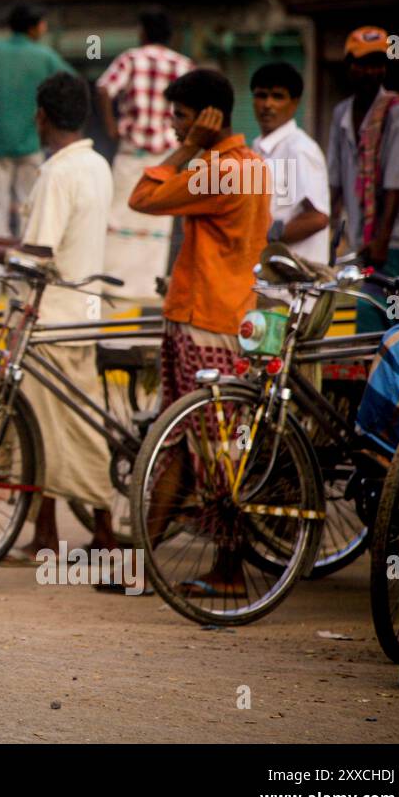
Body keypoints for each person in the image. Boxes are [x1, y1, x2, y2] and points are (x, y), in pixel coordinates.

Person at [0, 73, 135, 586]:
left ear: (42, 117)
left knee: (67, 431)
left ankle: (104, 536)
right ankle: (49, 533)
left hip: (49, 317)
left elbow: (40, 255)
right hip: (82, 313)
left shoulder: (56, 172)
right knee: (49, 427)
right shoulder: (95, 165)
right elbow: (43, 240)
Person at [129, 69, 271, 597]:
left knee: (212, 454)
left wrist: (187, 149)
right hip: (221, 317)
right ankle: (143, 561)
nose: (175, 130)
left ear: (210, 118)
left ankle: (230, 570)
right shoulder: (249, 165)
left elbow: (143, 197)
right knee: (189, 444)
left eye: (182, 119)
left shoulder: (223, 172)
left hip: (206, 322)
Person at [327, 26, 399, 333]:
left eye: (377, 63)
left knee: (383, 316)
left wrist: (381, 240)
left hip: (395, 239)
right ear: (349, 66)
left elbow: (397, 183)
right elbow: (335, 181)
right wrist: (330, 233)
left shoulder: (396, 113)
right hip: (362, 241)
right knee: (358, 309)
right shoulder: (341, 113)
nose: (371, 71)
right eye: (363, 63)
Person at [96, 8, 194, 306]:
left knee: (119, 218)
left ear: (142, 32)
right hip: (167, 157)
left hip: (132, 152)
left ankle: (116, 289)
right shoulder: (184, 64)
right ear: (170, 35)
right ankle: (146, 292)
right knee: (157, 224)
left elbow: (103, 88)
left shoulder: (131, 58)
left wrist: (111, 126)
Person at [0, 3, 73, 245]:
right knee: (29, 206)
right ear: (34, 28)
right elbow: (70, 80)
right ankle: (27, 261)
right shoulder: (45, 56)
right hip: (32, 141)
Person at [249, 61, 330, 265]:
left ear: (294, 103)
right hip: (266, 278)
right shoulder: (258, 148)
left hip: (293, 286)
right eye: (261, 95)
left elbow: (317, 217)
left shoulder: (299, 149)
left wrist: (262, 238)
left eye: (277, 96)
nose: (268, 104)